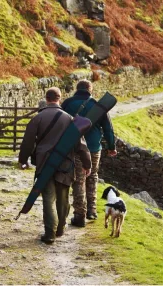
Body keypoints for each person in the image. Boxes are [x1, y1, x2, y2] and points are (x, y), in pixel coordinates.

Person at [18, 87, 91, 244]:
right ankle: (60, 229)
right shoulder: (70, 119)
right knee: (63, 198)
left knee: (48, 199)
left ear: (47, 98)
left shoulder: (38, 118)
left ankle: (50, 233)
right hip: (65, 164)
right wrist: (87, 164)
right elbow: (81, 145)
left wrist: (23, 160)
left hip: (44, 164)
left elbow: (28, 142)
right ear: (59, 98)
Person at [61, 80, 117, 227]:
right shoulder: (98, 106)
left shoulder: (67, 104)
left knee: (79, 179)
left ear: (76, 89)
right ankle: (91, 211)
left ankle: (79, 214)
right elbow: (108, 129)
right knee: (92, 177)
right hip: (93, 148)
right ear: (90, 90)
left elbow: (59, 124)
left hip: (74, 148)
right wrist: (111, 146)